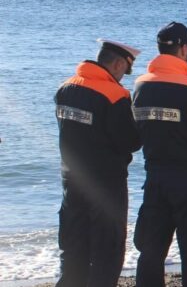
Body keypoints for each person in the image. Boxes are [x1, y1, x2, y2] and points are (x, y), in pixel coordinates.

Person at [131, 22, 187, 287]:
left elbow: (136, 130)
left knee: (150, 252)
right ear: (184, 49)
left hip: (155, 177)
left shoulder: (140, 86)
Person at [55, 39, 141, 287]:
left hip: (71, 180)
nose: (123, 77)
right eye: (125, 70)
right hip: (106, 184)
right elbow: (130, 141)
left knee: (72, 248)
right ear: (117, 64)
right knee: (108, 251)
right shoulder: (114, 95)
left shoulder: (65, 88)